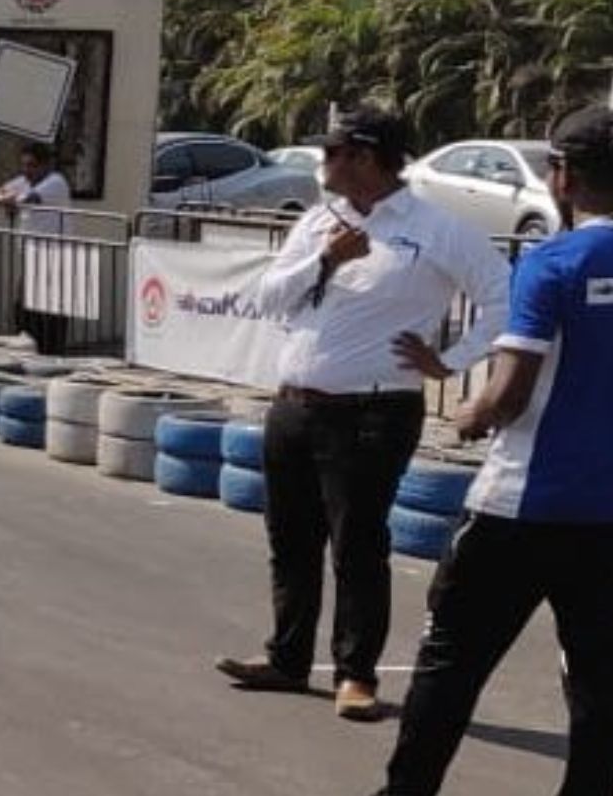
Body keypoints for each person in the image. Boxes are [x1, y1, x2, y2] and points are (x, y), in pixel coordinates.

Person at [325, 108, 613, 796]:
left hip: (523, 503)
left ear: (562, 175)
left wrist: (468, 412)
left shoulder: (553, 263)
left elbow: (510, 395)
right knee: (596, 680)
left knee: (450, 666)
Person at [217, 105, 510, 721]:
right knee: (290, 541)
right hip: (295, 405)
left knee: (357, 545)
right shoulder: (322, 221)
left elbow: (502, 299)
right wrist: (324, 259)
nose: (322, 163)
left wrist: (448, 360)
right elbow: (269, 297)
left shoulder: (435, 227)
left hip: (372, 412)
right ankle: (288, 659)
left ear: (366, 158)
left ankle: (356, 675)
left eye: (333, 152)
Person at [0, 143, 75, 354]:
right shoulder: (24, 181)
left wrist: (10, 201)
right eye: (25, 165)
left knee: (50, 311)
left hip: (55, 257)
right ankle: (30, 351)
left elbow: (29, 199)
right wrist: (4, 199)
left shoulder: (56, 182)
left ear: (47, 165)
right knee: (24, 309)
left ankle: (52, 355)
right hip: (32, 255)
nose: (28, 171)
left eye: (33, 166)